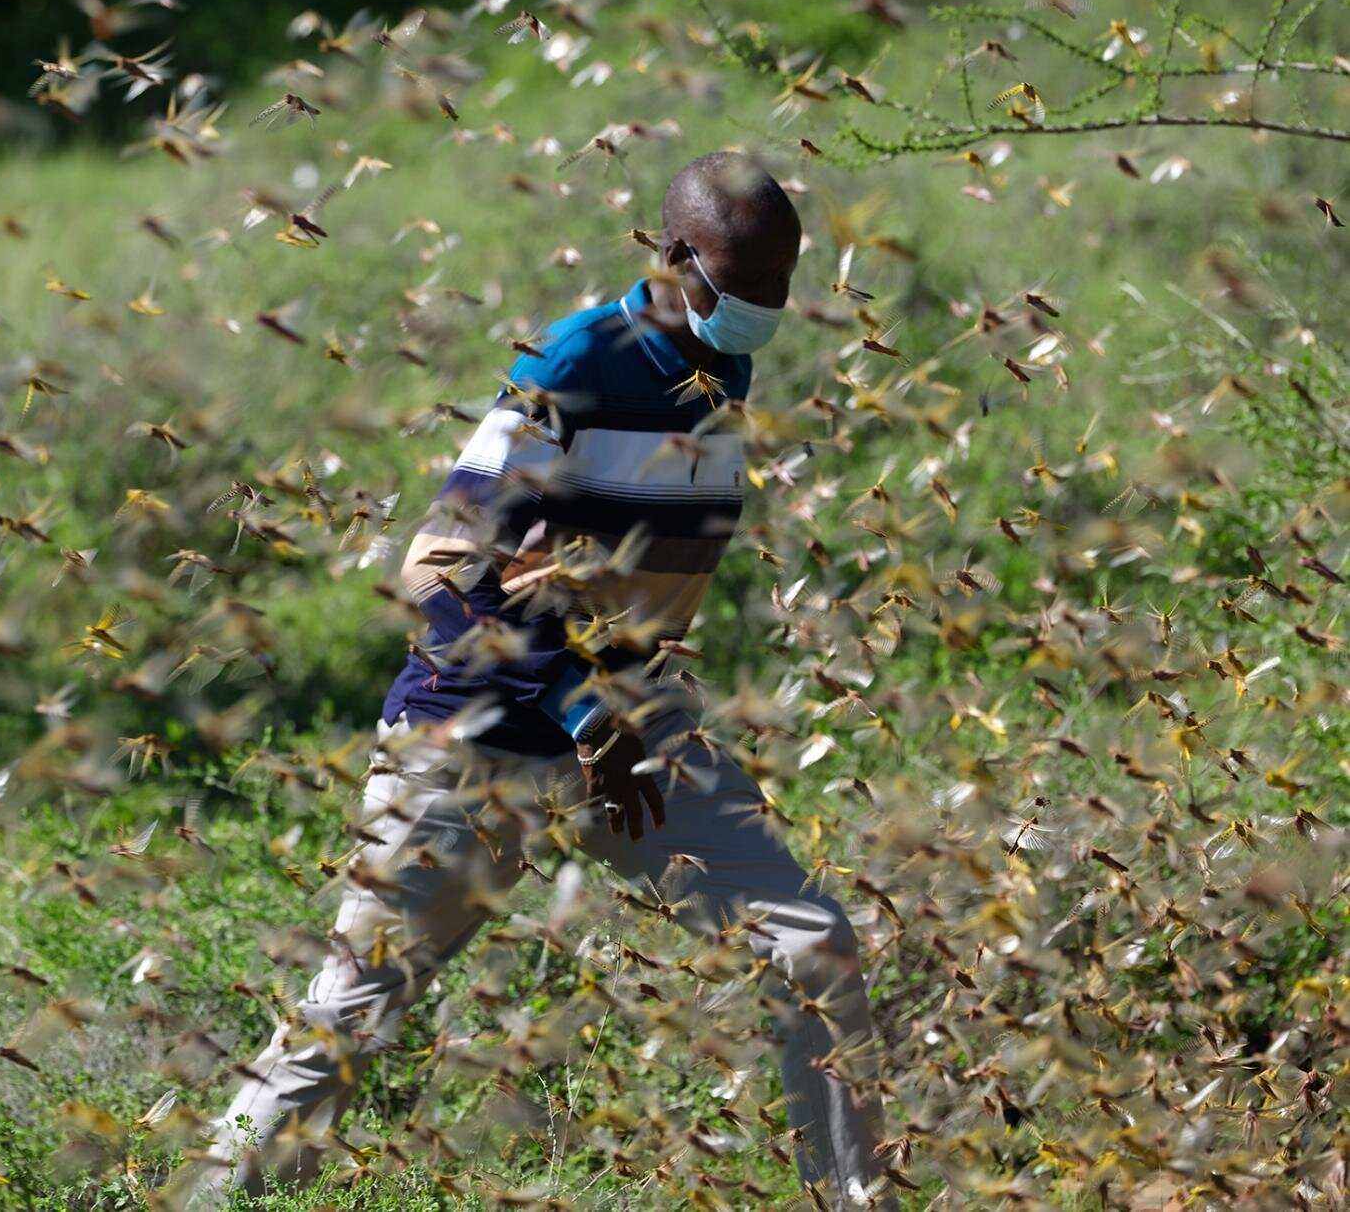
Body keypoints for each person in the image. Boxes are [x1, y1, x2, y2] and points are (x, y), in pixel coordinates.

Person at [171, 151, 893, 1210]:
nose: (760, 312)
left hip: (635, 734)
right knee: (348, 1020)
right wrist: (580, 704)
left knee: (813, 946)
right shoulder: (578, 360)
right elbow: (434, 570)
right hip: (476, 739)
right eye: (742, 286)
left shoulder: (717, 368)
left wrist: (620, 709)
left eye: (778, 290)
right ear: (675, 254)